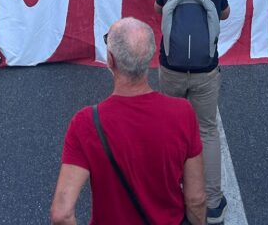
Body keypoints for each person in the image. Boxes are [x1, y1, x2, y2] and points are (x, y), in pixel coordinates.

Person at [50, 17, 207, 225]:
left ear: (111, 61)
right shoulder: (183, 113)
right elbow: (196, 198)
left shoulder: (86, 123)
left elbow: (61, 213)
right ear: (151, 56)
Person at [154, 0, 229, 224]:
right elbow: (224, 14)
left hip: (171, 67)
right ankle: (211, 203)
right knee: (207, 130)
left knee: (170, 130)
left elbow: (158, 10)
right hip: (205, 70)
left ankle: (171, 196)